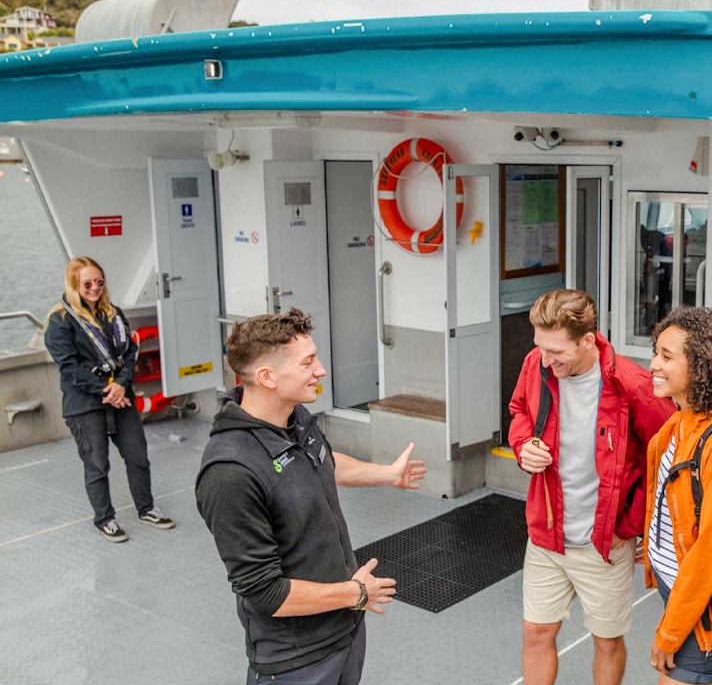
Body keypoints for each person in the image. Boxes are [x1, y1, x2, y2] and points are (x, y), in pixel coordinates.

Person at [195, 308, 427, 685]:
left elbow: (324, 463)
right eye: (308, 363)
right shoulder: (230, 472)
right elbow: (265, 593)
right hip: (296, 661)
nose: (320, 370)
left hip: (345, 631)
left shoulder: (294, 417)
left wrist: (387, 474)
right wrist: (355, 592)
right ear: (267, 377)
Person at [508, 289, 675, 685]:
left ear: (587, 341)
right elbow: (519, 410)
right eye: (540, 348)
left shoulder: (632, 384)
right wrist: (522, 445)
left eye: (556, 352)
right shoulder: (536, 364)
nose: (545, 360)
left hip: (604, 544)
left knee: (606, 641)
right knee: (536, 632)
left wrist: (633, 525)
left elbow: (669, 459)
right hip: (547, 535)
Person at [644, 306, 712, 685]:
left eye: (666, 356)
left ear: (701, 366)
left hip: (704, 610)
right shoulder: (680, 422)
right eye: (656, 352)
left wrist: (670, 634)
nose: (653, 364)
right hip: (681, 595)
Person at [44, 256, 176, 543]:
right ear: (74, 285)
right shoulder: (60, 321)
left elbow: (129, 353)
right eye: (87, 283)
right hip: (85, 404)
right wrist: (108, 389)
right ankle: (105, 518)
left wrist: (120, 386)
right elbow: (70, 367)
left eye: (99, 282)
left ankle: (146, 508)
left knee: (137, 456)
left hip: (121, 398)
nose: (94, 288)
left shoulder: (112, 313)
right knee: (96, 464)